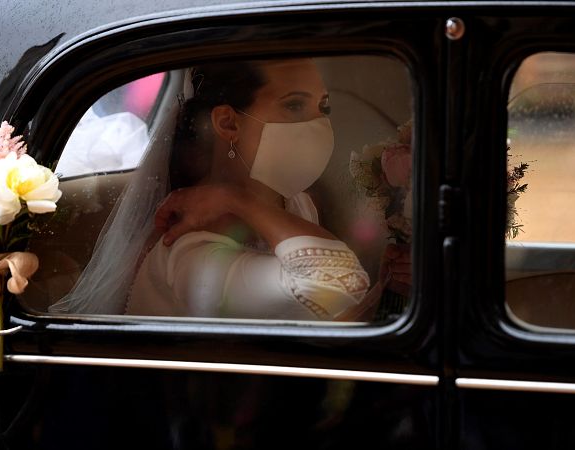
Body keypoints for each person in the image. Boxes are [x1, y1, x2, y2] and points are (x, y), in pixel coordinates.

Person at [51, 59, 407, 320]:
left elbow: (327, 318)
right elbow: (339, 286)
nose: (318, 124)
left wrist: (388, 286)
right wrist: (236, 200)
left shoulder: (294, 203)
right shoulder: (188, 251)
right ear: (228, 122)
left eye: (322, 107)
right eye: (295, 105)